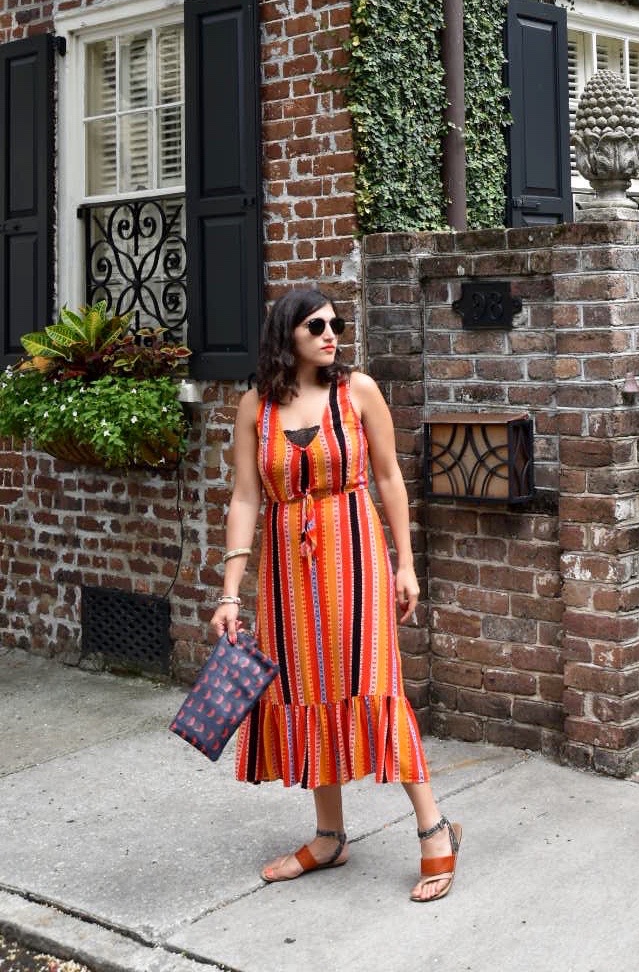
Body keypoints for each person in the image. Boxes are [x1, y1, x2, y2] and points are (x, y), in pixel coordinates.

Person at [209, 286, 461, 901]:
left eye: (336, 324)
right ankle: (329, 835)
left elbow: (388, 477)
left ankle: (434, 829)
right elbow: (244, 498)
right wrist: (230, 593)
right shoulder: (255, 407)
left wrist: (406, 563)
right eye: (316, 325)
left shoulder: (359, 391)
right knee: (306, 690)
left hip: (358, 559)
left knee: (374, 684)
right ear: (286, 335)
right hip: (286, 573)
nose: (331, 334)